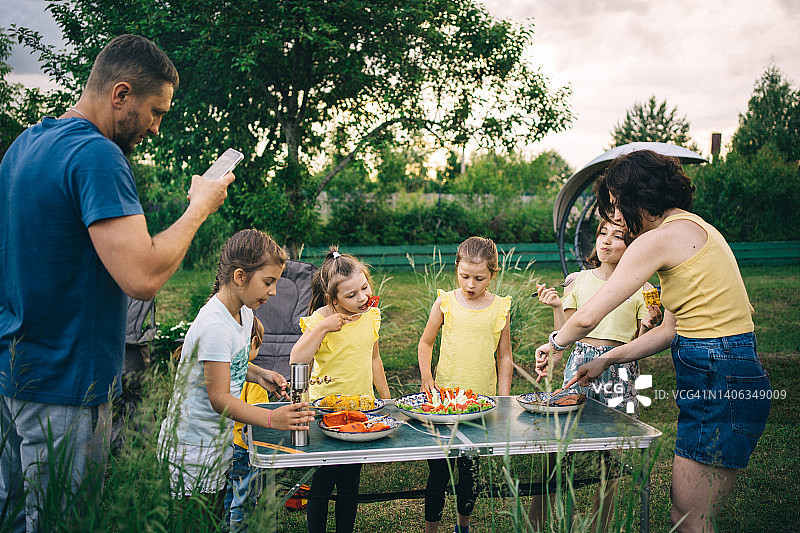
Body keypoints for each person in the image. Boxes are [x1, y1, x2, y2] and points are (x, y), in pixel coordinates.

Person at [0, 34, 234, 532]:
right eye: (156, 111)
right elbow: (143, 276)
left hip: (12, 376)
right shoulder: (98, 157)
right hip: (66, 386)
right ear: (120, 93)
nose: (155, 126)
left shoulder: (23, 146)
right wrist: (199, 207)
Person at [535, 150, 772, 532]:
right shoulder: (696, 229)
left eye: (616, 204)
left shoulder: (657, 240)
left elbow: (588, 315)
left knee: (688, 520)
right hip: (732, 371)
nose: (615, 217)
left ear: (636, 198)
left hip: (718, 377)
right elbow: (670, 330)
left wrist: (555, 343)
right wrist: (609, 359)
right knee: (694, 517)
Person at [157, 229, 314, 522]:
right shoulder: (215, 325)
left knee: (214, 519)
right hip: (191, 452)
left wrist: (258, 374)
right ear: (240, 276)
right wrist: (272, 419)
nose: (274, 291)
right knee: (195, 524)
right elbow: (218, 399)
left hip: (215, 444)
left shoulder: (245, 314)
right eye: (268, 282)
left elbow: (233, 361)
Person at [529, 220, 661, 531]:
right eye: (602, 234)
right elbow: (568, 333)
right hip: (579, 366)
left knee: (610, 457)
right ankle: (537, 522)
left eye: (618, 237)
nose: (606, 241)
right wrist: (557, 307)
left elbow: (640, 341)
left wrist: (648, 325)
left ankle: (601, 525)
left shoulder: (646, 289)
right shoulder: (576, 280)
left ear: (633, 247)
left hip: (620, 371)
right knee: (557, 448)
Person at [289, 247, 391, 533]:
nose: (362, 298)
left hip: (361, 413)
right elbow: (297, 358)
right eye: (351, 295)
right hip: (325, 414)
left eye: (364, 288)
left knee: (350, 482)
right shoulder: (319, 320)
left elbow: (374, 359)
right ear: (332, 299)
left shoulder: (371, 316)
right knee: (323, 481)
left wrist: (387, 399)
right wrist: (323, 328)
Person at [417, 236, 513, 533]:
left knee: (469, 474)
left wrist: (504, 398)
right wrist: (427, 378)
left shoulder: (499, 308)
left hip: (479, 405)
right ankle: (431, 528)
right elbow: (425, 342)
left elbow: (505, 357)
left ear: (493, 275)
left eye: (479, 278)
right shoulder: (445, 302)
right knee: (438, 473)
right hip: (443, 404)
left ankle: (463, 526)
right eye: (465, 277)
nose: (471, 285)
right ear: (456, 269)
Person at [224, 316, 270, 532]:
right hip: (244, 449)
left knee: (229, 494)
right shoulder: (256, 380)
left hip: (226, 447)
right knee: (243, 500)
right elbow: (258, 415)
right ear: (253, 343)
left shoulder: (224, 370)